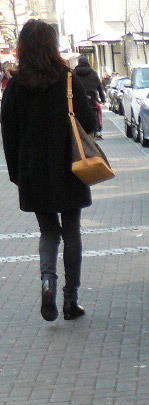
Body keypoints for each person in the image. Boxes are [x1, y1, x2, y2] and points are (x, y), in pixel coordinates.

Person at [1, 20, 96, 322]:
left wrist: (17, 172)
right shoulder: (68, 80)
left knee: (48, 233)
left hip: (33, 172)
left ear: (23, 47)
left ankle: (47, 282)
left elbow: (8, 132)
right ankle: (71, 300)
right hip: (70, 168)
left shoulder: (15, 86)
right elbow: (89, 125)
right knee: (72, 232)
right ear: (53, 45)